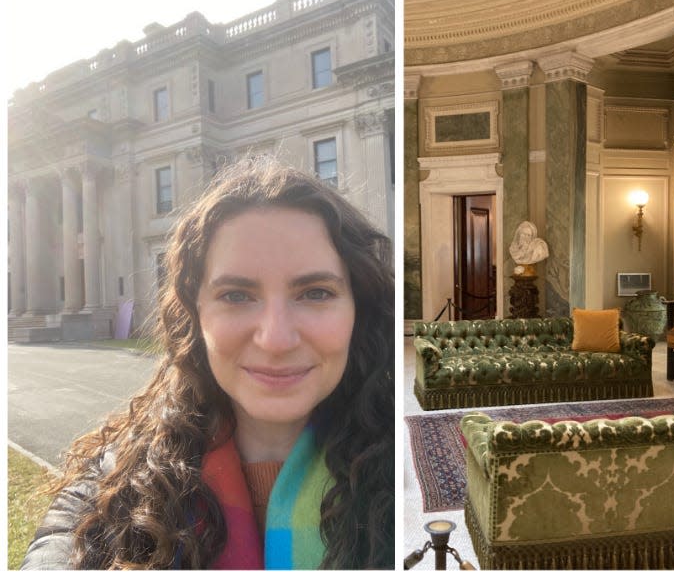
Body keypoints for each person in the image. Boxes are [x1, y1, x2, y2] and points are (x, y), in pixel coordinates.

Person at [21, 156, 395, 570]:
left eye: (316, 293)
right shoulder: (118, 480)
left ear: (359, 308)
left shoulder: (410, 477)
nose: (275, 339)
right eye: (236, 295)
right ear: (195, 314)